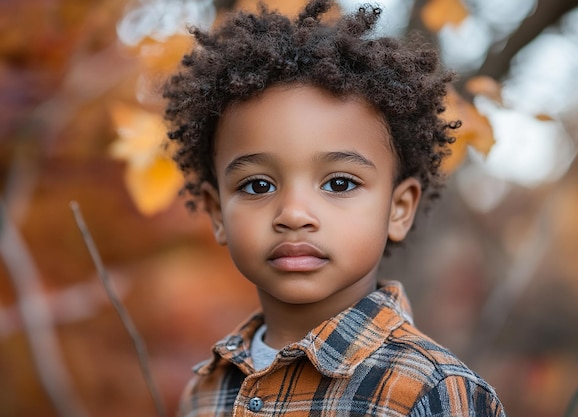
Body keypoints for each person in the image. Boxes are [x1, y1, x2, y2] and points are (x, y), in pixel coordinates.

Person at [163, 0, 506, 415]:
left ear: (399, 209)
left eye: (339, 183)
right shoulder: (203, 393)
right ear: (218, 213)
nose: (293, 213)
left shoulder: (430, 392)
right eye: (258, 185)